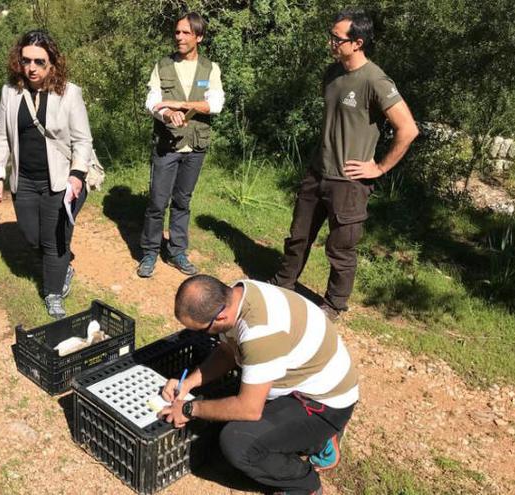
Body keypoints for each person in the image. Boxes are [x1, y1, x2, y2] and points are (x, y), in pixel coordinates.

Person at [268, 8, 419, 320]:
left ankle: (334, 305)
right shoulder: (332, 74)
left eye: (336, 38)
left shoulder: (375, 80)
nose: (331, 43)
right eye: (331, 35)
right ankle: (283, 285)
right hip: (317, 171)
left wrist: (379, 168)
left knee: (340, 249)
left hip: (348, 182)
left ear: (357, 43)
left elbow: (408, 129)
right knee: (298, 236)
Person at [161, 274, 358, 495]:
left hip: (324, 404)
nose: (199, 335)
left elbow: (249, 409)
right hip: (302, 383)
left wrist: (189, 409)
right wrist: (188, 383)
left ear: (221, 317)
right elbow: (227, 353)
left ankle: (303, 484)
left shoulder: (260, 333)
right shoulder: (237, 294)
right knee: (227, 410)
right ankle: (314, 440)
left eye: (201, 330)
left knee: (237, 442)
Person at [0, 30, 93, 319]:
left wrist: (77, 175)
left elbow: (83, 141)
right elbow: (1, 135)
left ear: (52, 64)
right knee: (32, 236)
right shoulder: (10, 93)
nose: (31, 68)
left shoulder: (70, 93)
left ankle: (53, 292)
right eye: (26, 61)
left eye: (38, 61)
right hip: (25, 180)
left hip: (61, 181)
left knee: (54, 241)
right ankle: (64, 267)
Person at [136, 12, 225, 278]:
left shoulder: (210, 69)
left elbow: (216, 105)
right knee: (157, 202)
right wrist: (165, 114)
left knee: (182, 202)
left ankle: (176, 251)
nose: (180, 37)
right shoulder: (162, 66)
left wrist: (181, 104)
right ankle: (150, 252)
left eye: (186, 33)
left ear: (199, 37)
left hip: (195, 147)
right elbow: (152, 102)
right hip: (167, 146)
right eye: (177, 32)